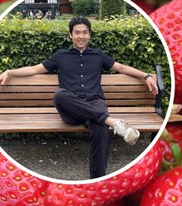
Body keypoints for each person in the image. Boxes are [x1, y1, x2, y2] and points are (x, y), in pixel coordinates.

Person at [0, 17, 158, 179]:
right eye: (77, 33)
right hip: (71, 109)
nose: (81, 36)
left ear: (89, 35)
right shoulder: (60, 55)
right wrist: (10, 72)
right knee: (60, 95)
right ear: (70, 35)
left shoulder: (98, 55)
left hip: (95, 102)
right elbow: (34, 69)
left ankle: (97, 178)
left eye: (84, 32)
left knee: (100, 127)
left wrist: (146, 76)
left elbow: (121, 68)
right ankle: (112, 122)